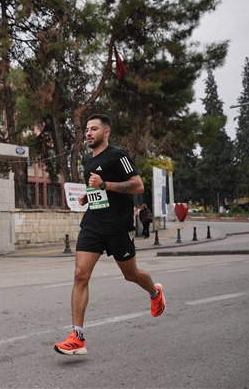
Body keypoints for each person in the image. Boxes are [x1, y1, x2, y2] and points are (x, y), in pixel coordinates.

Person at [54, 114, 166, 356]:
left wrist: (105, 185)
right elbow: (98, 190)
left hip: (118, 226)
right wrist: (88, 196)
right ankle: (77, 337)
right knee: (80, 275)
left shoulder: (118, 156)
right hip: (93, 224)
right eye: (87, 129)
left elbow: (137, 185)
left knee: (131, 274)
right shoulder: (88, 161)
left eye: (94, 129)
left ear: (106, 132)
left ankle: (155, 292)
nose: (88, 133)